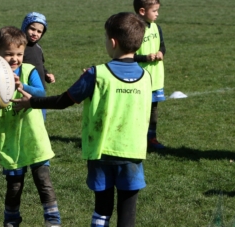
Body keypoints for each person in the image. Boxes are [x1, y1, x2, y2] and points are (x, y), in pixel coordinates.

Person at [12, 12, 150, 227]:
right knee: (127, 213)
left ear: (112, 42)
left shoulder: (97, 74)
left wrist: (32, 102)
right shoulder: (146, 77)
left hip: (101, 152)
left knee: (102, 209)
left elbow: (63, 100)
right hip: (133, 153)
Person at [0, 26, 61, 227]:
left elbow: (41, 94)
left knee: (43, 182)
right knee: (14, 186)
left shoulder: (29, 70)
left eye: (19, 54)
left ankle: (53, 221)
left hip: (34, 139)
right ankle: (11, 221)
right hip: (12, 142)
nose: (14, 59)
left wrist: (22, 87)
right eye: (8, 54)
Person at [133, 0, 166, 149]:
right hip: (139, 79)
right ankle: (137, 139)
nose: (157, 14)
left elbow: (162, 46)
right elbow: (128, 55)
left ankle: (151, 138)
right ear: (142, 11)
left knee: (153, 109)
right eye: (154, 11)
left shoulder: (156, 28)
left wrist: (160, 52)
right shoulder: (134, 30)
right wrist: (144, 58)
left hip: (156, 78)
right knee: (138, 110)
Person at [21, 12, 55, 120]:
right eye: (32, 29)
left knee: (41, 120)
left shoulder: (38, 48)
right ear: (24, 27)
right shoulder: (20, 48)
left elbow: (40, 65)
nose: (35, 33)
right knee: (28, 120)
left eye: (39, 31)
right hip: (27, 90)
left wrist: (46, 74)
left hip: (40, 91)